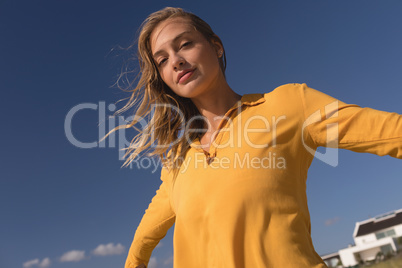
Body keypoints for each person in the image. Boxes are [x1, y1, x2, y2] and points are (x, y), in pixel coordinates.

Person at [106, 7, 402, 268]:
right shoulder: (177, 161)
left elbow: (389, 132)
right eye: (162, 60)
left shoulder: (289, 105)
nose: (176, 61)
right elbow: (144, 237)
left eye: (184, 44)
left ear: (216, 47)